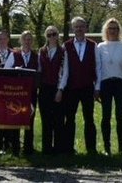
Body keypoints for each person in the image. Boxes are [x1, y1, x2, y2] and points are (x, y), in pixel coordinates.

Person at [58, 16, 98, 154]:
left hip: (87, 86)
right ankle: (68, 148)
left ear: (86, 28)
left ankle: (91, 149)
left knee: (89, 118)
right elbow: (64, 69)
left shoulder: (93, 45)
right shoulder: (66, 46)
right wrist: (61, 88)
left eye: (82, 26)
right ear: (73, 29)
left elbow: (97, 67)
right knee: (69, 118)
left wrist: (97, 87)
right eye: (77, 27)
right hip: (71, 87)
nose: (79, 29)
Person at [96, 18, 122, 154]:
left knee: (119, 115)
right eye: (110, 28)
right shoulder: (100, 47)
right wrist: (97, 88)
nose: (112, 31)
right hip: (105, 83)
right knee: (106, 116)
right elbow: (98, 68)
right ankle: (107, 147)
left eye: (115, 28)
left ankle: (121, 147)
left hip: (120, 83)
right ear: (106, 30)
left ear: (119, 30)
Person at [38, 26, 65, 155]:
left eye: (54, 34)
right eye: (49, 35)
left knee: (58, 119)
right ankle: (47, 149)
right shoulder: (41, 51)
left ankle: (59, 148)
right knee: (46, 119)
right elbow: (39, 70)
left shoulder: (63, 51)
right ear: (46, 37)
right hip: (44, 88)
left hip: (57, 88)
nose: (52, 37)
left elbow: (65, 72)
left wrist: (60, 90)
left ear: (58, 35)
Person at [14, 30, 40, 155]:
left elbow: (39, 73)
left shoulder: (36, 56)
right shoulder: (14, 55)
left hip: (31, 93)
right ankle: (15, 146)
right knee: (17, 116)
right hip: (17, 93)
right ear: (21, 40)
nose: (27, 42)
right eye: (25, 39)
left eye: (30, 39)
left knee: (30, 117)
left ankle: (28, 147)